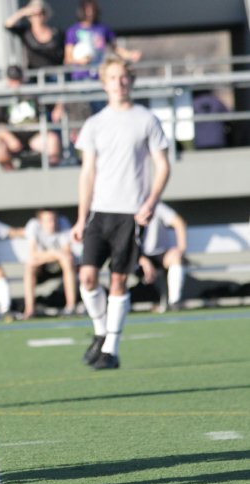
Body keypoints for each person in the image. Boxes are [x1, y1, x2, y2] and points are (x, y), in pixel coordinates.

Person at [71, 56, 169, 370]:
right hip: (99, 213)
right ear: (104, 83)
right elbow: (87, 174)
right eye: (113, 77)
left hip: (130, 214)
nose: (119, 83)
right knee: (87, 278)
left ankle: (111, 351)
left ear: (131, 81)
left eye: (124, 77)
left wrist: (151, 201)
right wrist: (80, 216)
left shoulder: (146, 119)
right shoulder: (95, 124)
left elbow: (163, 165)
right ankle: (101, 333)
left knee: (117, 282)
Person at [0, 65, 61, 170]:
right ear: (8, 80)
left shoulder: (33, 93)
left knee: (52, 141)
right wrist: (9, 138)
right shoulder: (2, 97)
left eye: (18, 79)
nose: (16, 84)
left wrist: (58, 109)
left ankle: (52, 174)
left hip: (36, 136)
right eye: (13, 80)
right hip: (13, 137)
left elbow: (56, 101)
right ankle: (11, 175)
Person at [65, 1, 140, 84]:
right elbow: (68, 58)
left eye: (93, 10)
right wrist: (80, 61)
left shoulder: (103, 29)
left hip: (99, 75)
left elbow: (116, 48)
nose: (90, 13)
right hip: (80, 77)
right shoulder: (73, 31)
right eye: (87, 10)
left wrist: (130, 55)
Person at [22, 208, 77, 318]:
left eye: (54, 219)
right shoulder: (33, 226)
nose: (52, 223)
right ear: (40, 222)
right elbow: (33, 254)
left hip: (60, 265)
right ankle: (29, 310)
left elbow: (67, 252)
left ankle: (71, 307)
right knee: (30, 266)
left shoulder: (63, 223)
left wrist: (51, 256)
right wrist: (55, 253)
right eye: (48, 220)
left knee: (68, 260)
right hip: (42, 267)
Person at [136, 202, 187, 311]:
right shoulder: (125, 208)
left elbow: (178, 222)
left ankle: (174, 302)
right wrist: (142, 260)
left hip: (160, 255)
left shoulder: (156, 206)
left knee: (175, 258)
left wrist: (181, 250)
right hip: (135, 257)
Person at [3, 0, 64, 81]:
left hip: (56, 75)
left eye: (40, 13)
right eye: (34, 15)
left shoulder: (56, 32)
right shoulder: (25, 32)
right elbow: (7, 25)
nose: (37, 17)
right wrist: (24, 11)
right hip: (34, 76)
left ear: (45, 15)